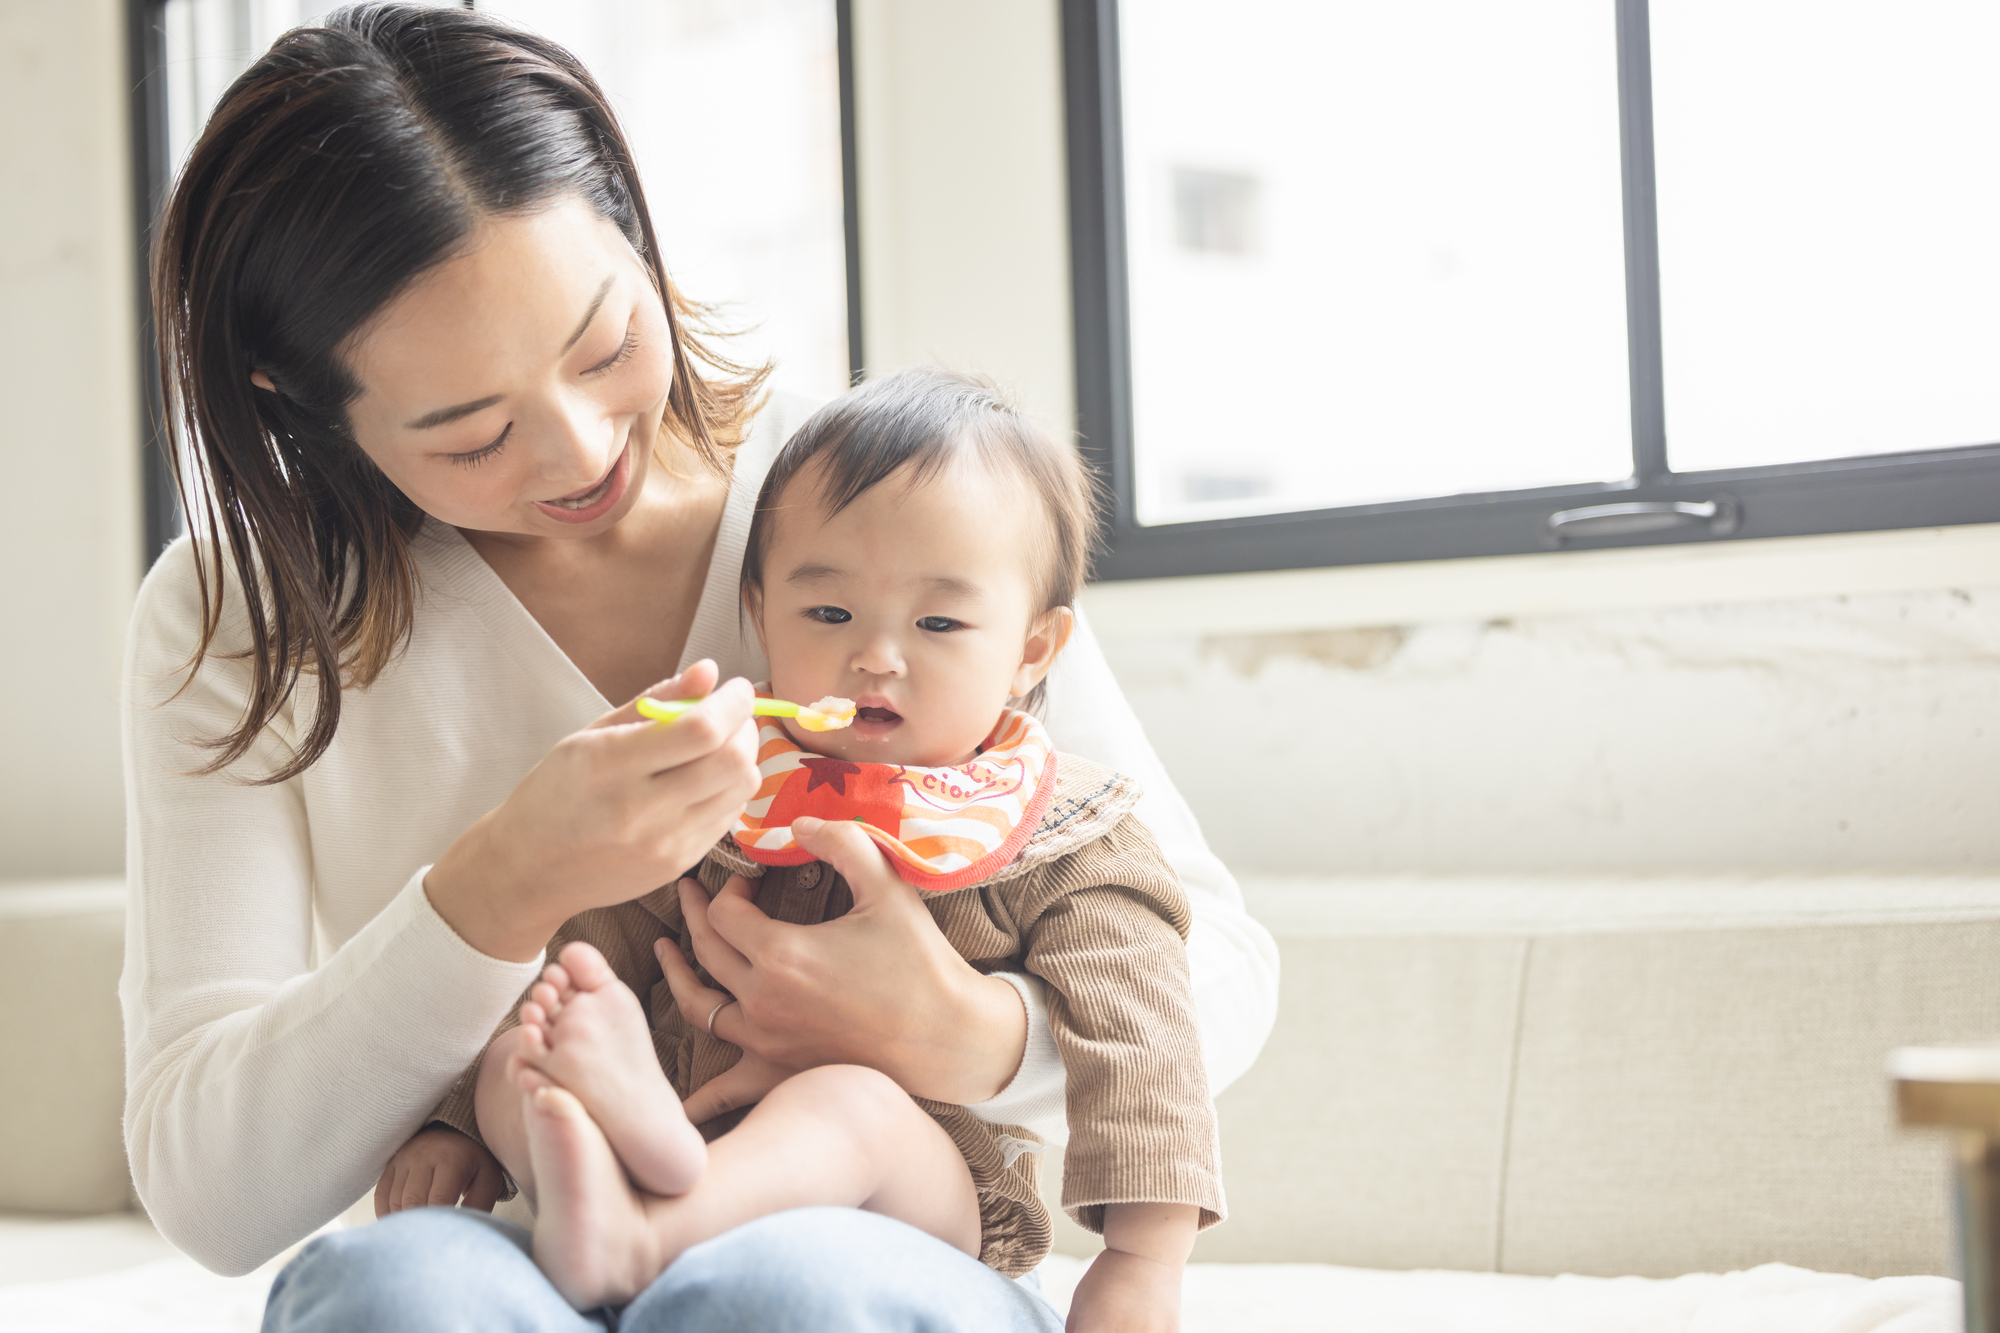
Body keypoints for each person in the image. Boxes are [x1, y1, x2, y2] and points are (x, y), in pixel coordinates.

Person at [120, 5, 1276, 1330]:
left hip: (875, 1226)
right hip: (531, 1227)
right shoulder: (238, 625)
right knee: (391, 1296)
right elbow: (211, 1193)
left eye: (606, 345)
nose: (576, 453)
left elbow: (1215, 963)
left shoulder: (872, 514)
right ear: (296, 400)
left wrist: (965, 1031)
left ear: (633, 223)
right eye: (471, 432)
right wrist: (503, 885)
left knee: (777, 1291)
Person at [389, 368, 1222, 1328]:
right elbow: (594, 927)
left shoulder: (1065, 832)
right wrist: (463, 1113)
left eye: (939, 623)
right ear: (758, 611)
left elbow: (1146, 1048)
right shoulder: (723, 784)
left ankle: (647, 1235)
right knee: (536, 1035)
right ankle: (612, 1176)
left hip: (911, 1196)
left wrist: (1143, 1261)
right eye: (829, 614)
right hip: (683, 1126)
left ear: (1035, 650)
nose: (876, 654)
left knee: (849, 1102)